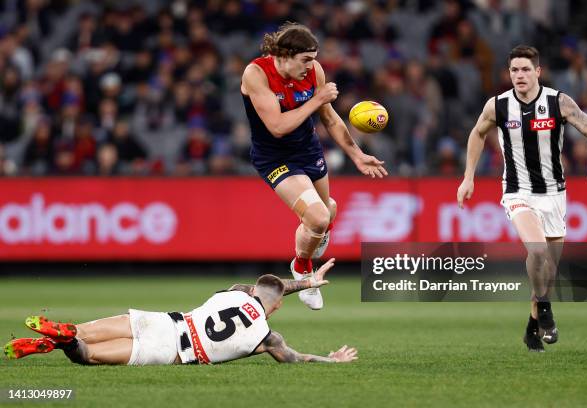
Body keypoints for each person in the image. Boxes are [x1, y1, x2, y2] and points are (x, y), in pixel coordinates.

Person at [456, 45, 587, 352]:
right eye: (514, 70)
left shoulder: (558, 102)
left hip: (554, 194)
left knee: (549, 270)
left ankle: (531, 325)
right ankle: (547, 312)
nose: (520, 75)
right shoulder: (498, 105)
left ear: (538, 71)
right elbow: (477, 133)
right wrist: (468, 177)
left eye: (526, 69)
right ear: (508, 73)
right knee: (536, 251)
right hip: (517, 191)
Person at [241, 22, 388, 310]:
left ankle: (312, 240)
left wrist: (357, 155)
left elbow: (330, 119)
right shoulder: (256, 73)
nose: (312, 66)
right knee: (319, 218)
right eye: (305, 60)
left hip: (308, 151)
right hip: (275, 157)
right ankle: (303, 267)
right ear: (284, 54)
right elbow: (277, 126)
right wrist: (318, 99)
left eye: (313, 59)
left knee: (327, 211)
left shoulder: (314, 71)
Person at [4, 259, 358, 365]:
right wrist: (332, 360)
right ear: (277, 306)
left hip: (161, 320)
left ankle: (61, 334)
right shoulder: (267, 337)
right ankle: (62, 343)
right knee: (87, 357)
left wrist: (304, 282)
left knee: (82, 331)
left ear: (252, 289)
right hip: (170, 352)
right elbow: (296, 359)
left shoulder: (232, 292)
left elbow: (267, 288)